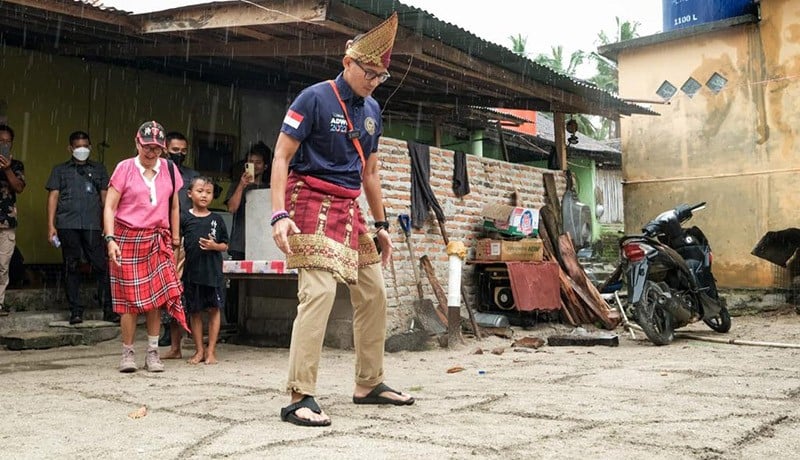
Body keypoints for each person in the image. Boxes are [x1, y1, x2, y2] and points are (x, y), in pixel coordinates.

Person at [271, 12, 413, 428]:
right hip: (309, 200)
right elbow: (281, 157)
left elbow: (369, 173)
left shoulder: (372, 111)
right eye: (368, 71)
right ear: (347, 60)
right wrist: (278, 214)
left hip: (350, 209)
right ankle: (300, 396)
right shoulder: (312, 98)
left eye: (380, 76)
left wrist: (382, 226)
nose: (373, 80)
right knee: (317, 293)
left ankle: (369, 384)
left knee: (373, 292)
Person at [104, 120, 188, 373]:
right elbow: (110, 206)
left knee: (157, 299)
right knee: (128, 302)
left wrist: (175, 242)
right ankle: (127, 353)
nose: (151, 153)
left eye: (157, 149)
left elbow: (174, 206)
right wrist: (110, 239)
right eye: (147, 147)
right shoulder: (124, 168)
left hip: (158, 239)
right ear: (137, 143)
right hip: (127, 238)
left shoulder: (170, 170)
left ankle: (153, 352)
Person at [46, 131, 116, 324]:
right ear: (70, 148)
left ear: (90, 147)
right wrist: (51, 225)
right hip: (67, 224)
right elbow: (53, 197)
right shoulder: (60, 170)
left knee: (102, 266)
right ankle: (76, 310)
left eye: (85, 145)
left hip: (93, 225)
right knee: (72, 266)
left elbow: (105, 199)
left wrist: (109, 226)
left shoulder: (99, 169)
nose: (82, 150)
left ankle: (109, 308)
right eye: (77, 147)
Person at [159, 131, 200, 357]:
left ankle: (182, 333)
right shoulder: (156, 172)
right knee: (164, 284)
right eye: (175, 150)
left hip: (186, 235)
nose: (179, 154)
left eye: (183, 151)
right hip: (161, 233)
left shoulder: (191, 176)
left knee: (183, 286)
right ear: (165, 148)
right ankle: (165, 330)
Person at [180, 176, 228, 364]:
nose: (204, 195)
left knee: (214, 310)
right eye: (200, 191)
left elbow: (225, 245)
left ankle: (211, 351)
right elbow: (177, 244)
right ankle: (199, 350)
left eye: (208, 192)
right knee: (195, 312)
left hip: (213, 273)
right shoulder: (184, 217)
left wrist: (214, 246)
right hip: (192, 273)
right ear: (190, 193)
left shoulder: (217, 219)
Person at [224, 141, 271, 325]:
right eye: (251, 162)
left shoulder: (269, 187)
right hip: (240, 242)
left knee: (260, 286)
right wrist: (242, 186)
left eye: (258, 162)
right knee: (235, 287)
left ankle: (254, 322)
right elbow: (232, 208)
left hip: (263, 243)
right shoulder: (237, 185)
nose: (254, 165)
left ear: (265, 166)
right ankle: (234, 324)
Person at [0, 124, 25, 317]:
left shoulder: (16, 165)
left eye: (7, 142)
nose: (4, 144)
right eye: (1, 141)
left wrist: (7, 169)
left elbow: (19, 187)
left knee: (2, 266)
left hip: (6, 223)